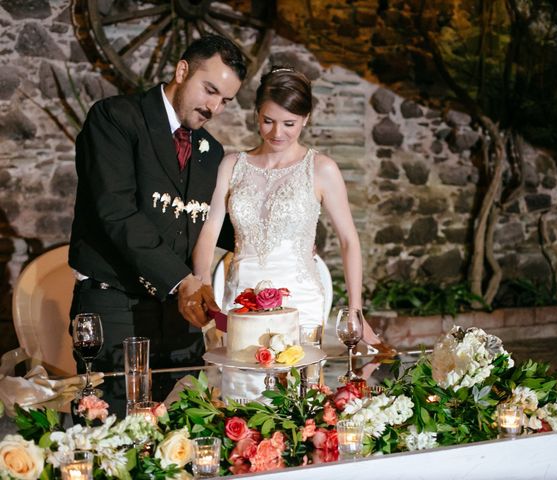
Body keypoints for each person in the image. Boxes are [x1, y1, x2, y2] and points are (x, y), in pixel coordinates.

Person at [68, 35, 246, 408]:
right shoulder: (114, 119)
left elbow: (206, 218)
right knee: (115, 434)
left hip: (180, 316)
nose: (214, 107)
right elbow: (115, 211)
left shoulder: (210, 150)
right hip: (115, 306)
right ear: (182, 70)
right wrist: (182, 280)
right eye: (209, 90)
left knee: (182, 431)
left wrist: (265, 235)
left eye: (225, 100)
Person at [180, 66, 393, 359]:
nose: (277, 133)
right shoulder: (232, 166)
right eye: (268, 121)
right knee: (239, 393)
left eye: (289, 123)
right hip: (240, 301)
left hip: (301, 303)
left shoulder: (321, 169)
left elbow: (349, 241)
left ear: (305, 119)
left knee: (296, 395)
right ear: (256, 114)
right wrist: (203, 283)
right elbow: (210, 227)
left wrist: (355, 311)